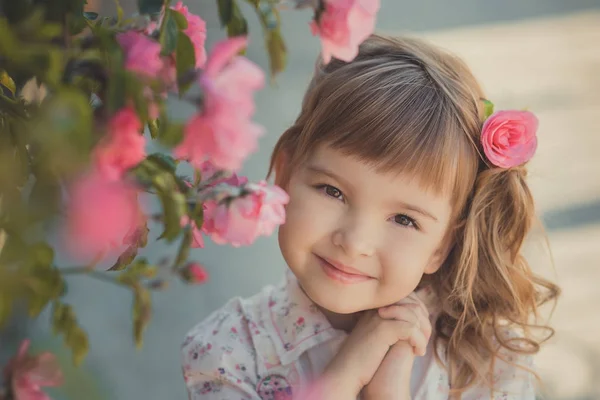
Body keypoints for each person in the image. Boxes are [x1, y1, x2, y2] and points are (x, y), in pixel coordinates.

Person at [180, 34, 559, 399]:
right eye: (333, 191)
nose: (355, 242)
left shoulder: (485, 364)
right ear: (285, 173)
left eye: (404, 219)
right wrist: (344, 377)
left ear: (443, 244)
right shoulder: (230, 353)